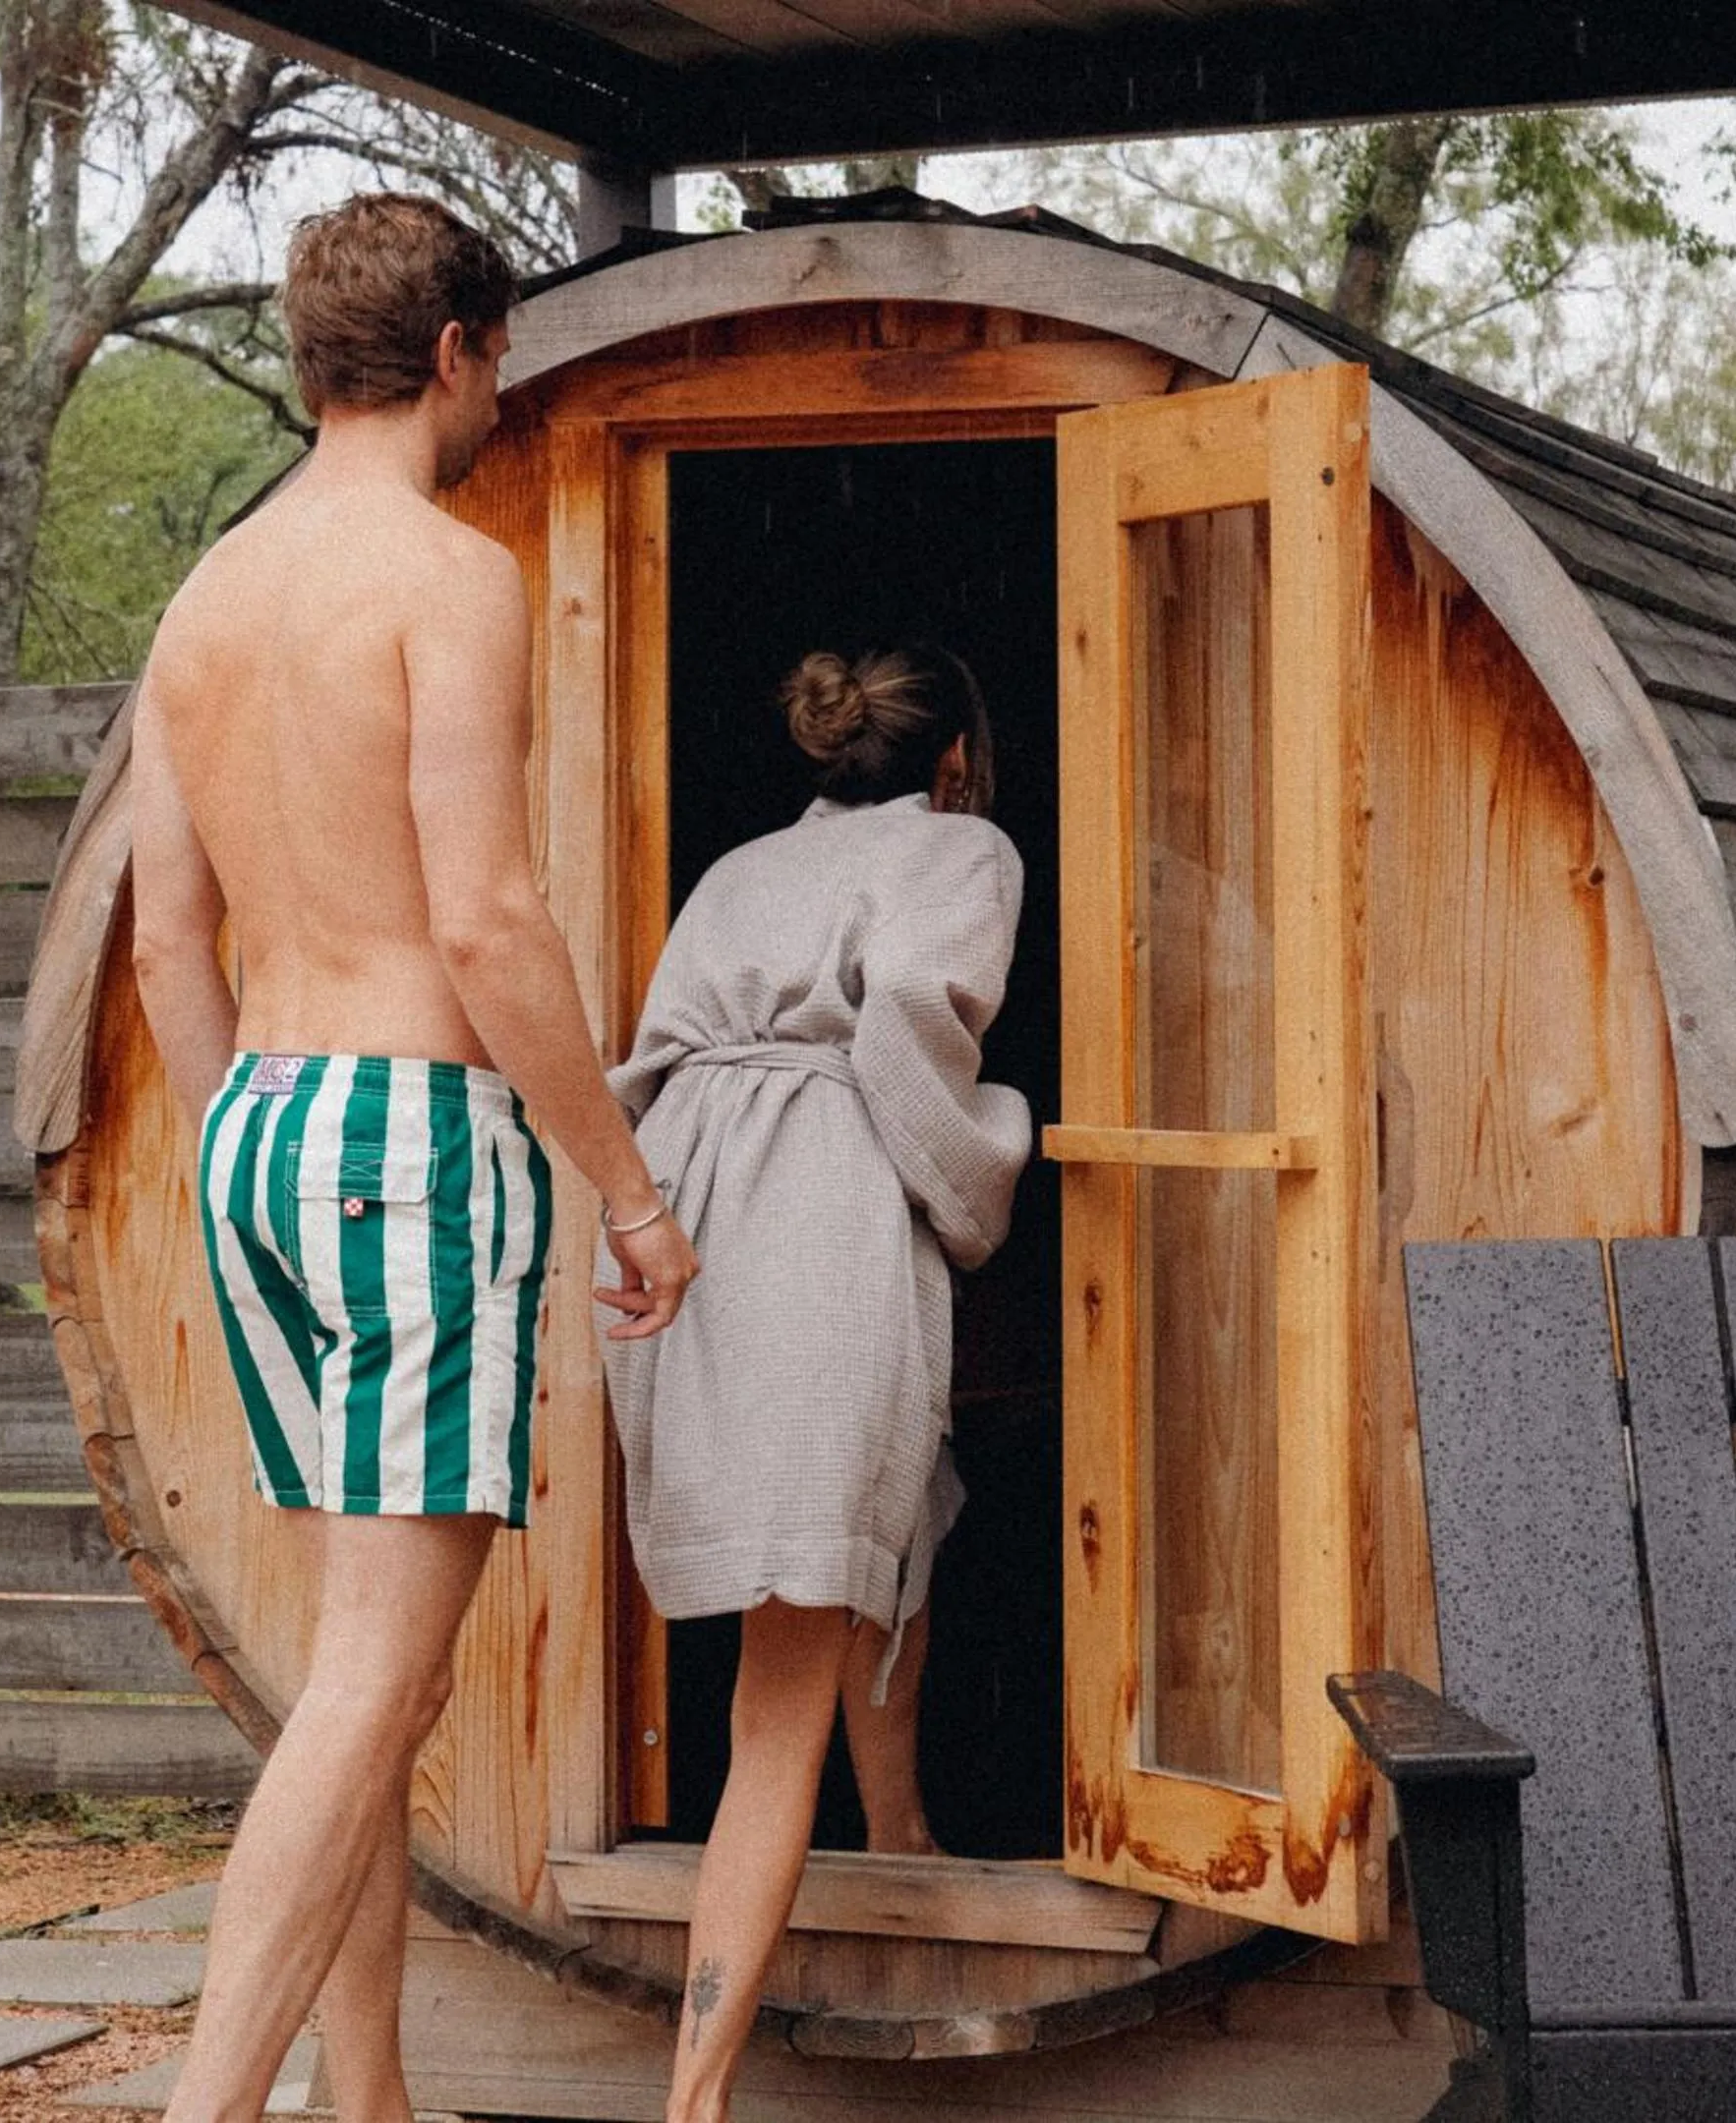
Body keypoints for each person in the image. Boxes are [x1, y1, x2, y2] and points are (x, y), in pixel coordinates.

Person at [127, 192, 700, 2123]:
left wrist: (245, 1150)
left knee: (367, 1678)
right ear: (459, 354)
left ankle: (361, 2099)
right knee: (377, 1679)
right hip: (402, 1133)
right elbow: (489, 928)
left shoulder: (200, 607)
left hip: (264, 1125)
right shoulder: (447, 580)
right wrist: (625, 1184)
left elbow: (160, 944)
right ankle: (208, 2113)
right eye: (499, 362)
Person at [600, 645, 1031, 2123]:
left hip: (691, 1205)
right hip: (817, 1215)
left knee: (873, 1527)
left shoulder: (731, 871)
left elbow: (648, 1060)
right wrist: (990, 1152)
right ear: (953, 763)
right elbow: (913, 1001)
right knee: (779, 1682)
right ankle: (697, 2100)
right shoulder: (966, 846)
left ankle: (901, 1834)